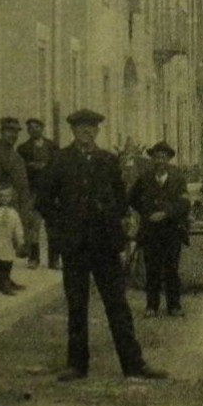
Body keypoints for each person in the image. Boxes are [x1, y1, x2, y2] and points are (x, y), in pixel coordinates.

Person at [35, 108, 166, 382]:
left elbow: (120, 198)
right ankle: (77, 366)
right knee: (77, 305)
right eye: (81, 127)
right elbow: (44, 201)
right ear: (73, 130)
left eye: (92, 128)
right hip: (75, 245)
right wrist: (62, 226)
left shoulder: (107, 161)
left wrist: (115, 218)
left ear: (97, 131)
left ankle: (133, 364)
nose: (87, 132)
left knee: (118, 305)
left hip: (105, 244)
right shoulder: (60, 160)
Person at [130, 140, 192, 318]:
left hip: (172, 230)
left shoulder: (178, 179)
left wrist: (166, 213)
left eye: (163, 157)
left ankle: (174, 305)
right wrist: (145, 212)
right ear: (152, 160)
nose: (160, 161)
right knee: (152, 269)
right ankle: (152, 306)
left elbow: (185, 203)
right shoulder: (144, 179)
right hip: (150, 231)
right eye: (156, 157)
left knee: (171, 268)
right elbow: (132, 198)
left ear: (168, 160)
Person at [0, 117, 32, 271]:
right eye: (9, 131)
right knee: (0, 245)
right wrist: (1, 203)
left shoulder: (16, 156)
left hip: (17, 206)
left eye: (16, 132)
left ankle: (6, 278)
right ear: (2, 132)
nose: (13, 135)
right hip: (3, 207)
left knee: (11, 244)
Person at [19, 118, 58, 269]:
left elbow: (58, 167)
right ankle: (34, 258)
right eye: (30, 128)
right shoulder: (23, 148)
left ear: (42, 128)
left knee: (52, 226)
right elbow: (21, 169)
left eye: (36, 127)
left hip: (50, 192)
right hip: (33, 191)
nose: (34, 130)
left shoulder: (52, 146)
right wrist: (32, 166)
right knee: (33, 227)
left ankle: (53, 260)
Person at [0, 180, 27, 295]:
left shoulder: (13, 213)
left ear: (11, 197)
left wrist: (20, 241)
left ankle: (4, 282)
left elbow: (18, 227)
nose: (4, 199)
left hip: (7, 242)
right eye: (1, 196)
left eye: (7, 196)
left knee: (6, 263)